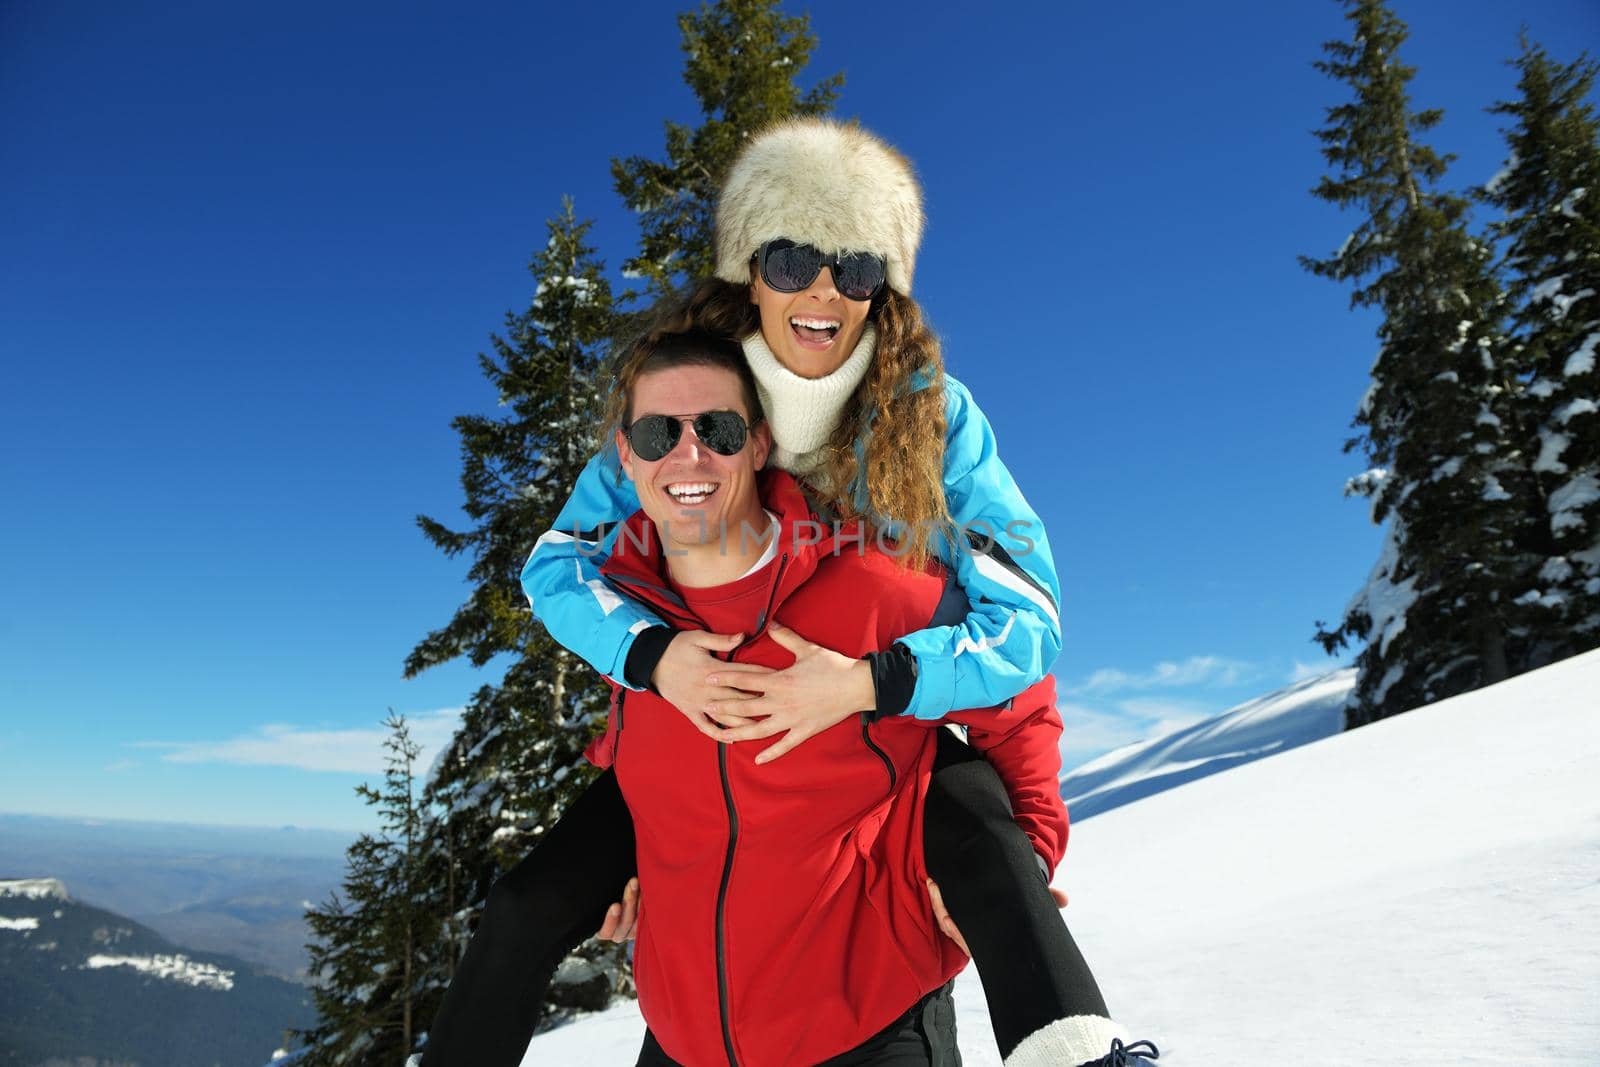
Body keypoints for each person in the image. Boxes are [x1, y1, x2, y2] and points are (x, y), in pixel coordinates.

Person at [421, 119, 1155, 1067]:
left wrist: (875, 695)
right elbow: (567, 564)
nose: (822, 289)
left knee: (966, 808)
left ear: (881, 288)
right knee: (528, 902)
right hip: (718, 831)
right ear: (749, 270)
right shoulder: (692, 407)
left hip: (882, 745)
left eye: (854, 268)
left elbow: (1025, 627)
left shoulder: (931, 421)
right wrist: (650, 686)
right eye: (793, 256)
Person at [589, 332, 1070, 1065]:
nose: (687, 456)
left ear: (757, 444)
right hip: (681, 1037)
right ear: (626, 457)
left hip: (867, 1029)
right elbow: (629, 750)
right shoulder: (629, 616)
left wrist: (1024, 859)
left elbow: (1016, 688)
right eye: (658, 433)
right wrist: (627, 857)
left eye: (715, 430)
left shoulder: (868, 583)